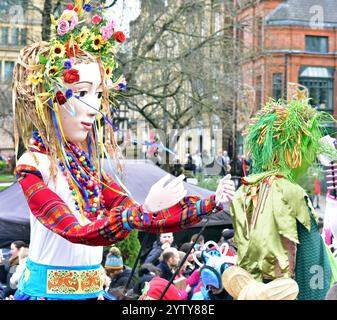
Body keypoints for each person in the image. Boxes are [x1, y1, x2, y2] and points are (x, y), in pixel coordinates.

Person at [12, 2, 235, 300]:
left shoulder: (87, 167)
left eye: (99, 94)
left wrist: (211, 203)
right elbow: (75, 230)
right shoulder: (33, 164)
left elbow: (142, 214)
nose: (94, 109)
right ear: (49, 98)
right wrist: (141, 212)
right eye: (81, 93)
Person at [228, 98, 337, 300]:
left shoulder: (245, 190)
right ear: (294, 151)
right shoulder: (291, 192)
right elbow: (313, 261)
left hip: (251, 292)